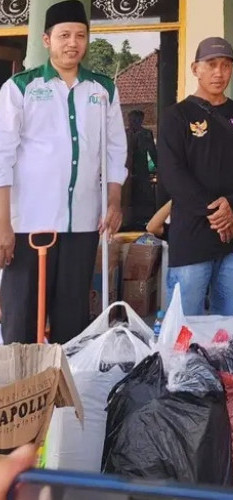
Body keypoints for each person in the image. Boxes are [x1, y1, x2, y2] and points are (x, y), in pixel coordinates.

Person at [0, 0, 127, 344]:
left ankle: (65, 393)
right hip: (28, 224)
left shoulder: (103, 90)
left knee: (73, 320)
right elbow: (2, 157)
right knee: (21, 318)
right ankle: (20, 394)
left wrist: (113, 199)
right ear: (47, 40)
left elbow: (115, 150)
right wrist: (4, 227)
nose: (73, 43)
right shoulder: (20, 88)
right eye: (64, 35)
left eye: (81, 35)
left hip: (83, 223)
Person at [158, 37, 233, 316]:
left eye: (226, 65)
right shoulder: (176, 116)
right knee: (184, 324)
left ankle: (225, 364)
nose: (219, 72)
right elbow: (172, 173)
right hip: (192, 237)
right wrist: (217, 212)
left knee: (231, 323)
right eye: (211, 64)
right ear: (195, 69)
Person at [126, 109, 157, 228]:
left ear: (141, 120)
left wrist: (159, 167)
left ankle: (144, 219)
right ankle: (129, 219)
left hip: (141, 169)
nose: (133, 122)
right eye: (132, 119)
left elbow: (152, 151)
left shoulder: (146, 133)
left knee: (143, 195)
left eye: (136, 120)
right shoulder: (124, 133)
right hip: (127, 171)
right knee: (129, 196)